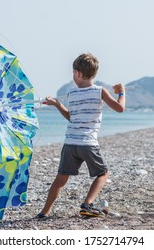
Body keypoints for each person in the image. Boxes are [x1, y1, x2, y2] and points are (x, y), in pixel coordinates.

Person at [36, 53, 126, 218]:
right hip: (88, 143)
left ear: (77, 73)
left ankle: (44, 212)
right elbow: (120, 108)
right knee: (103, 173)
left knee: (61, 179)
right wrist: (121, 93)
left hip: (70, 143)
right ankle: (87, 204)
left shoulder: (72, 93)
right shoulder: (100, 91)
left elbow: (71, 117)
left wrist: (57, 104)